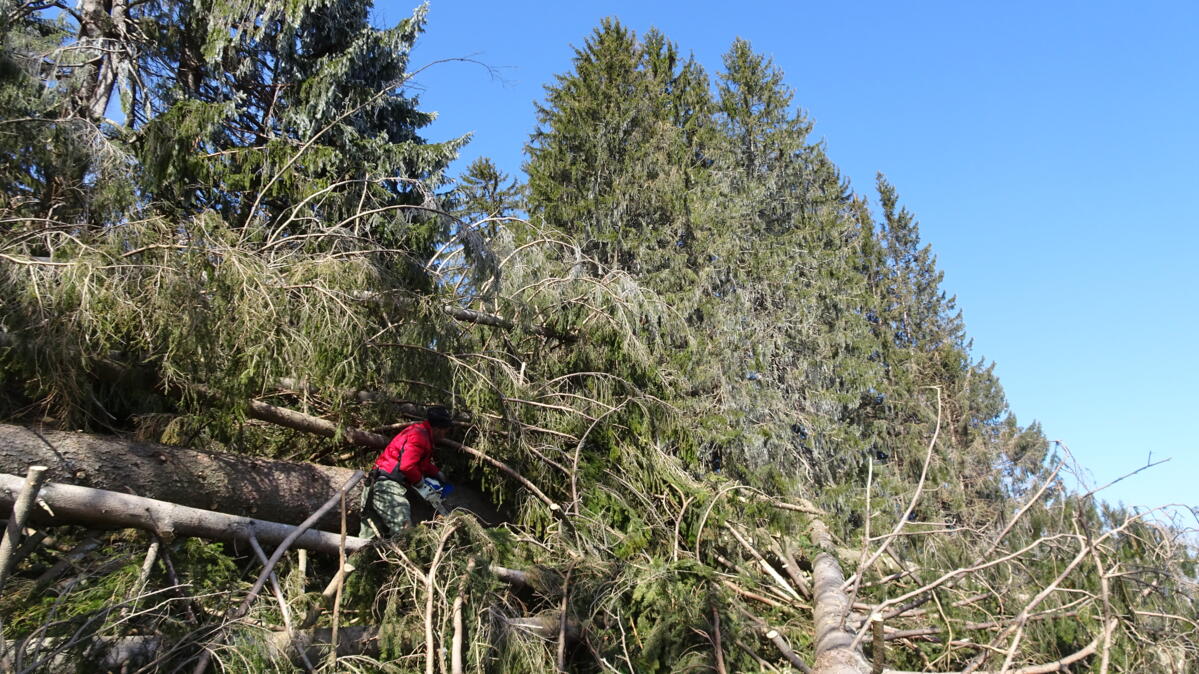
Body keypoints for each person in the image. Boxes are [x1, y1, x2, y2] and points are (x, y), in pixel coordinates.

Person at [359, 405, 454, 538]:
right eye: (445, 432)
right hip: (387, 487)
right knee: (404, 532)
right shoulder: (419, 436)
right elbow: (407, 466)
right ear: (438, 429)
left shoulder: (420, 433)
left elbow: (421, 463)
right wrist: (420, 483)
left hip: (376, 483)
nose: (444, 436)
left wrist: (436, 473)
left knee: (368, 542)